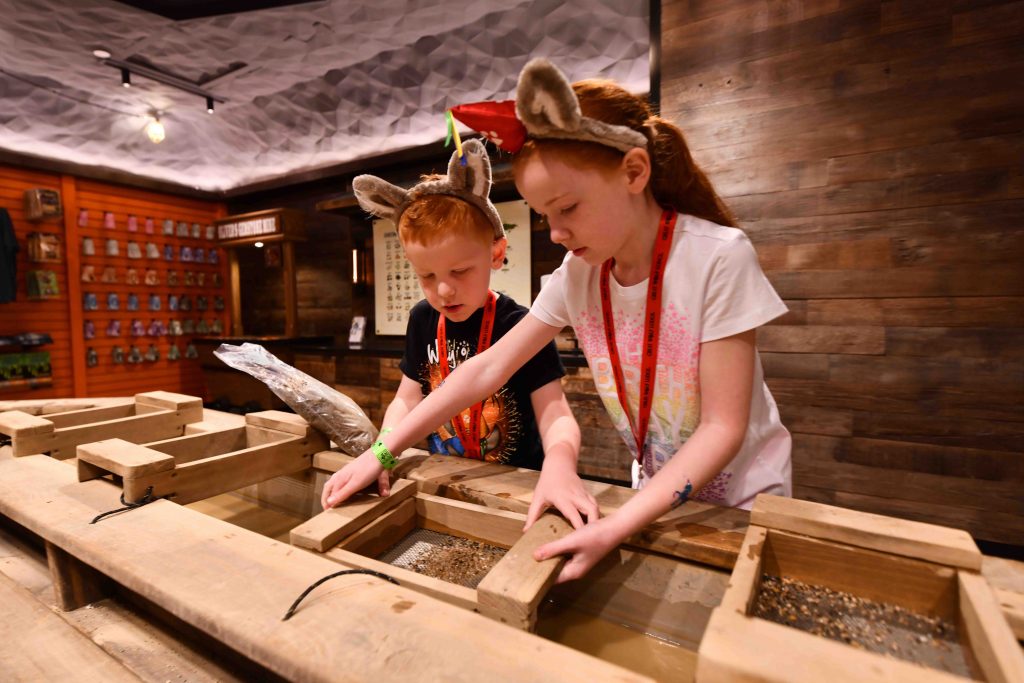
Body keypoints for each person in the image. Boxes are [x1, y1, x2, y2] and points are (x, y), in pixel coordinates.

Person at [327, 58, 791, 583]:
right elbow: (485, 369)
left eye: (567, 208)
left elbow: (723, 427)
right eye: (545, 215)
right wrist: (383, 454)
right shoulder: (580, 274)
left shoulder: (717, 257)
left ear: (634, 172)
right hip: (656, 491)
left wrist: (615, 524)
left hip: (745, 499)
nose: (555, 232)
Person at [322, 139, 596, 527]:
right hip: (445, 474)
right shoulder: (422, 319)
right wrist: (382, 451)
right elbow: (407, 398)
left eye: (460, 272)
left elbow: (555, 412)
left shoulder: (515, 323)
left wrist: (560, 463)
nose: (444, 290)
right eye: (427, 276)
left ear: (496, 253)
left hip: (517, 485)